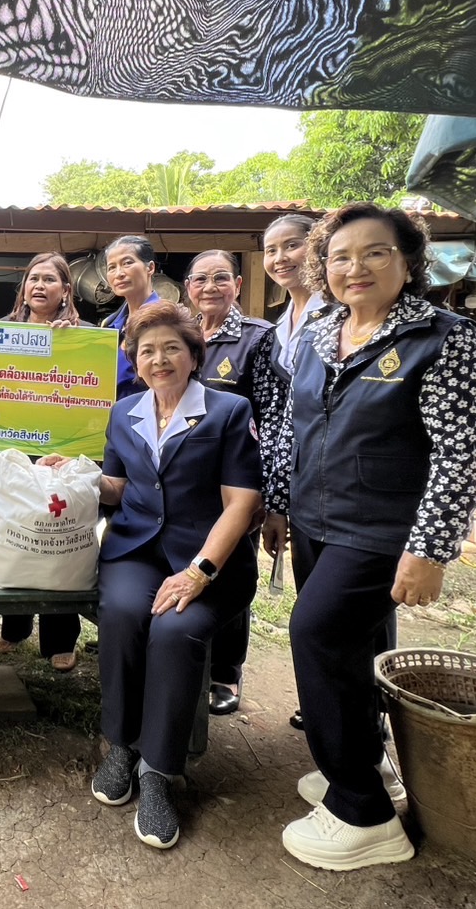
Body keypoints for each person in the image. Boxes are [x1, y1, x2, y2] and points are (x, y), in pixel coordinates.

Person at [263, 203, 476, 871]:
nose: (355, 267)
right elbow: (292, 426)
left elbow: (463, 453)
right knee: (356, 647)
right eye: (339, 256)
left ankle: (361, 813)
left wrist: (429, 549)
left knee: (318, 635)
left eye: (374, 252)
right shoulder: (318, 332)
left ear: (408, 261)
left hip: (382, 530)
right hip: (315, 522)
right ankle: (366, 769)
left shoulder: (444, 338)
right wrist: (278, 503)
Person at [49, 300, 261, 850]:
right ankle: (121, 745)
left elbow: (241, 503)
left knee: (174, 629)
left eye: (171, 348)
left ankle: (159, 771)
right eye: (147, 351)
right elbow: (117, 487)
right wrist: (75, 474)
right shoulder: (125, 413)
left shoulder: (228, 411)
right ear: (134, 360)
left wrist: (199, 573)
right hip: (137, 550)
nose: (159, 359)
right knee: (121, 613)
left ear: (193, 355)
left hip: (209, 560)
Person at [185, 249, 272, 718]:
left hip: (236, 483)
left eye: (221, 278)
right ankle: (192, 659)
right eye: (200, 279)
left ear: (238, 285)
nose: (210, 287)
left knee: (231, 571)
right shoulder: (184, 332)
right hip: (186, 480)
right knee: (191, 565)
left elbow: (273, 421)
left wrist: (268, 495)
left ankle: (226, 671)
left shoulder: (257, 339)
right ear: (188, 288)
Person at [249, 213, 321, 731]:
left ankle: (369, 713)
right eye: (271, 250)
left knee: (341, 608)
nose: (279, 259)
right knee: (309, 594)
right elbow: (274, 421)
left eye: (291, 246)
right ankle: (324, 703)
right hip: (296, 483)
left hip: (341, 484)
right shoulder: (278, 331)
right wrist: (276, 502)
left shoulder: (343, 318)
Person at [0, 252, 84, 670]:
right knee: (16, 533)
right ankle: (14, 627)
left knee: (58, 539)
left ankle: (59, 638)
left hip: (61, 451)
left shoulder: (83, 336)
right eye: (33, 279)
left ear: (65, 290)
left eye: (50, 280)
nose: (40, 286)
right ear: (24, 288)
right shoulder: (1, 331)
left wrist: (74, 345)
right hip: (16, 449)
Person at [99, 235, 163, 399]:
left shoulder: (166, 321)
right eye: (111, 267)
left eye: (127, 263)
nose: (119, 273)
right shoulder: (109, 325)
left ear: (150, 268)